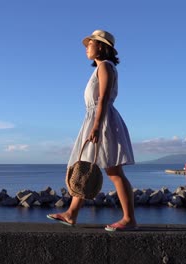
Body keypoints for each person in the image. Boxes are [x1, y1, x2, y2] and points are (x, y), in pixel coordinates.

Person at [47, 29, 137, 231]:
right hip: (96, 118)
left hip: (101, 119)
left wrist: (96, 126)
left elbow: (103, 98)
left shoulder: (105, 66)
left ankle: (129, 219)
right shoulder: (101, 68)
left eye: (91, 44)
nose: (87, 47)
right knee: (86, 167)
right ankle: (71, 213)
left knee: (114, 171)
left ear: (101, 47)